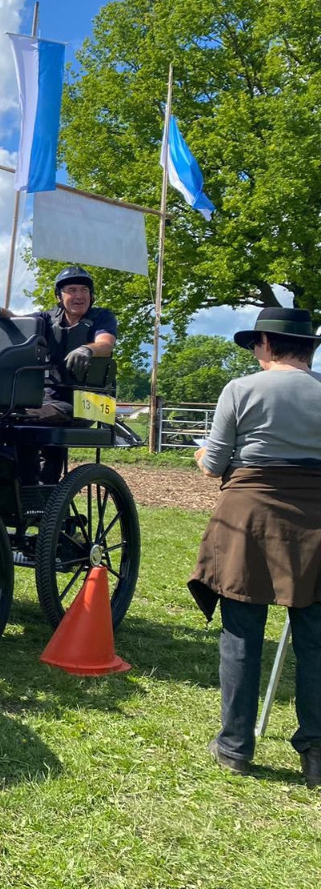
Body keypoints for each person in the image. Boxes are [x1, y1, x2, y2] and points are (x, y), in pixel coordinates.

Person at [189, 306, 321, 786]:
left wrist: (202, 452)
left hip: (250, 514)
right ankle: (316, 751)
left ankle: (235, 746)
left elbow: (214, 463)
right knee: (317, 640)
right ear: (309, 347)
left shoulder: (241, 389)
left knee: (242, 632)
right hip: (318, 518)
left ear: (266, 344)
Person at [0, 265, 118, 480]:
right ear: (60, 296)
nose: (79, 295)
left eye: (84, 290)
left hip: (89, 401)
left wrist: (87, 349)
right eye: (71, 290)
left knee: (26, 418)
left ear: (91, 295)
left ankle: (32, 486)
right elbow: (21, 321)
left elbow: (106, 344)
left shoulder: (102, 317)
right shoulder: (47, 318)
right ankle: (5, 482)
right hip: (48, 399)